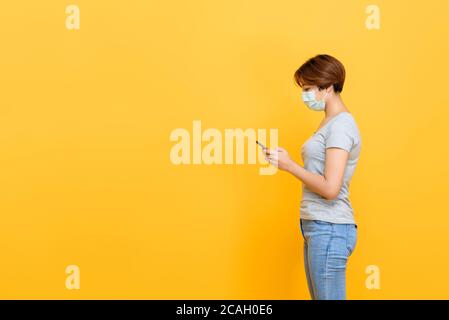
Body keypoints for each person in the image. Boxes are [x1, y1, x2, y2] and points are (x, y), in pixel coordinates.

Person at [263, 54, 361, 300]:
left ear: (327, 87)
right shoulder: (328, 122)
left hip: (330, 226)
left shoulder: (341, 126)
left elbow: (330, 189)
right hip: (317, 224)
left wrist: (289, 165)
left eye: (308, 89)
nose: (304, 95)